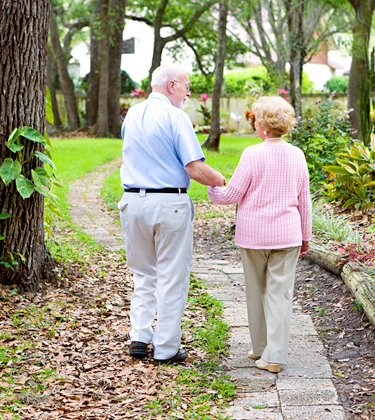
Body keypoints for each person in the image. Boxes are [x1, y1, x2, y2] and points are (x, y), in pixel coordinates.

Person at [118, 64, 226, 364]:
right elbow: (194, 168)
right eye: (186, 86)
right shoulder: (176, 117)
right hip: (168, 205)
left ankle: (139, 337)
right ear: (172, 85)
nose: (188, 92)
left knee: (143, 273)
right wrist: (222, 180)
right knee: (171, 278)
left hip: (132, 203)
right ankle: (166, 348)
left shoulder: (132, 115)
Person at [208, 96, 312, 373]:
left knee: (256, 290)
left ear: (263, 125)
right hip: (288, 235)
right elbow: (305, 200)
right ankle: (272, 354)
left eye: (256, 119)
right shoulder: (297, 155)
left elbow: (231, 194)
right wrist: (306, 235)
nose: (254, 124)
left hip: (253, 235)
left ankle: (260, 348)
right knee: (280, 294)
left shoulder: (252, 154)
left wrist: (213, 186)